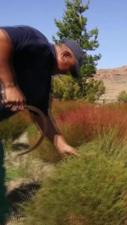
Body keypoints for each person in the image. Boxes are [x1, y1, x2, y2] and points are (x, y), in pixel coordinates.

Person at [0, 25, 83, 224]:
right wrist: (10, 86)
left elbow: (41, 115)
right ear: (64, 54)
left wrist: (61, 144)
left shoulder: (42, 81)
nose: (66, 74)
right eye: (70, 69)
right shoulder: (38, 43)